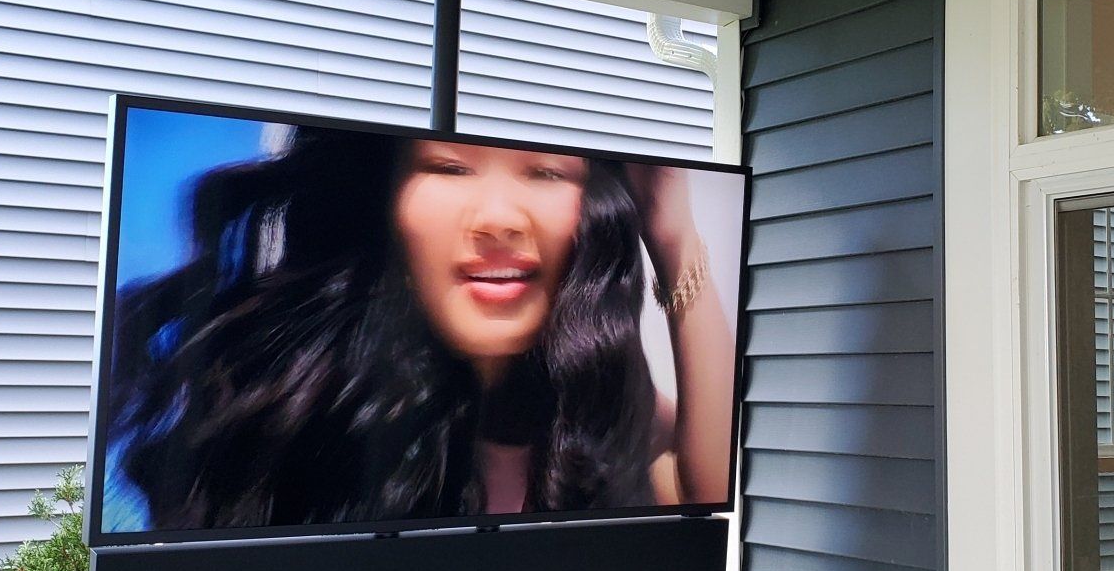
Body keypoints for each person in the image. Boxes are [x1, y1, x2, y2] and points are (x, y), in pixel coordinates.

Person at [102, 122, 734, 534]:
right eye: (449, 167)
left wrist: (671, 232)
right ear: (387, 204)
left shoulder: (603, 413)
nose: (498, 219)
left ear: (590, 216)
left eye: (544, 171)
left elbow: (717, 487)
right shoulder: (272, 427)